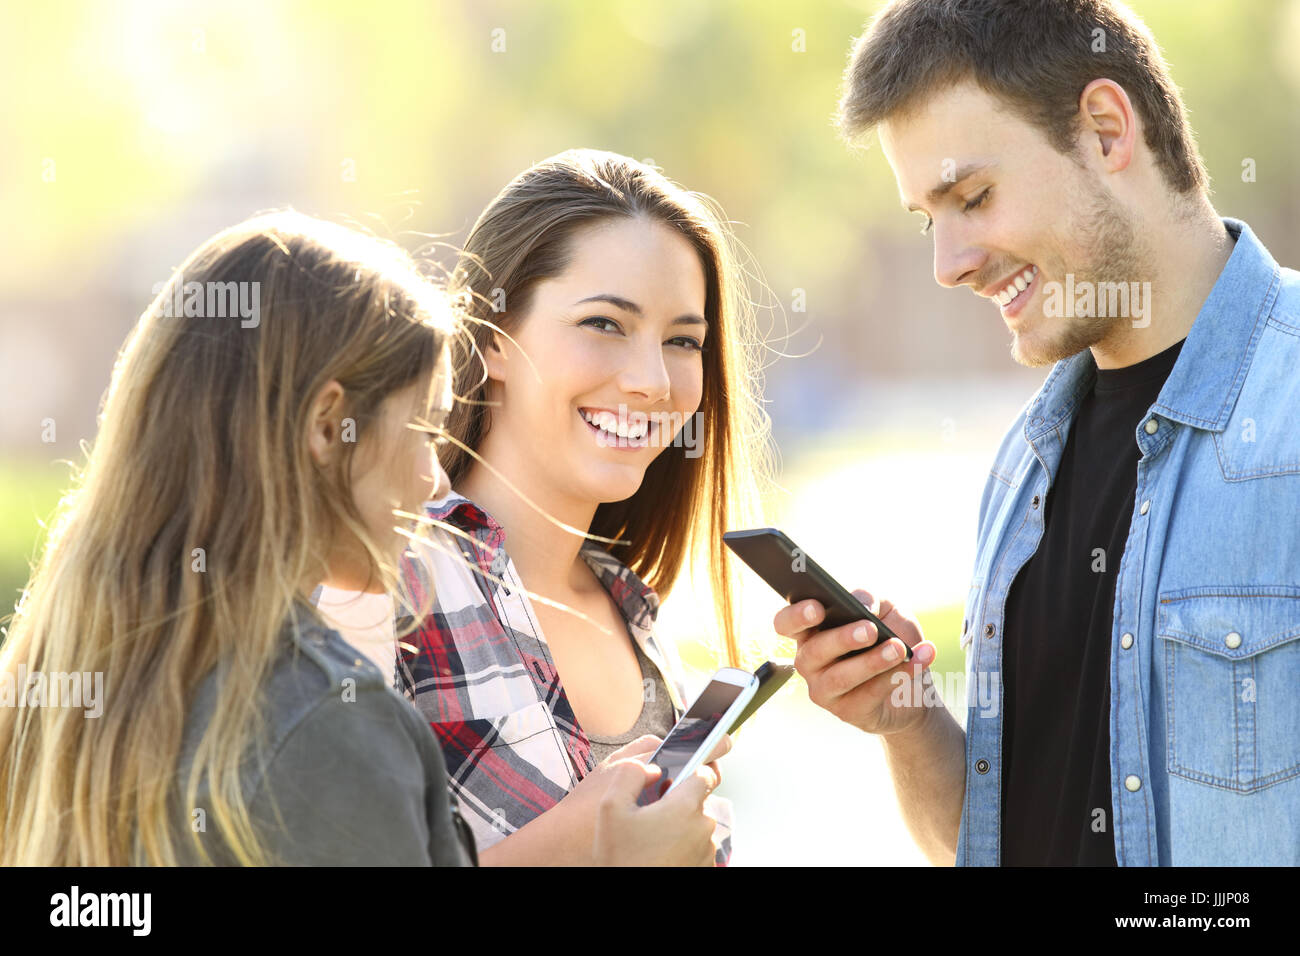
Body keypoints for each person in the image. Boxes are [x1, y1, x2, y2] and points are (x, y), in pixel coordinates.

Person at [0, 210, 713, 866]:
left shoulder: (83, 680)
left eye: (684, 340)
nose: (436, 481)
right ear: (326, 427)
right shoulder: (325, 720)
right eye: (425, 430)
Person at [776, 0, 1300, 866]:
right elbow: (1004, 836)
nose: (948, 265)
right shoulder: (1027, 461)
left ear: (1104, 129)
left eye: (973, 197)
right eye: (928, 219)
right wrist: (907, 721)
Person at [394, 148, 772, 865]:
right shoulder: (394, 585)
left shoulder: (634, 612)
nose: (652, 381)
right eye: (604, 324)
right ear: (491, 337)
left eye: (683, 341)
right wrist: (590, 847)